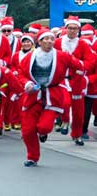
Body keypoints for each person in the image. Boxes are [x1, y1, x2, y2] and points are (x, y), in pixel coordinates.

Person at [18, 28, 85, 167]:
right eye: (46, 39)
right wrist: (28, 83)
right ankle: (32, 157)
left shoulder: (62, 56)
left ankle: (43, 133)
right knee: (28, 130)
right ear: (39, 41)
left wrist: (76, 76)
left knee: (45, 126)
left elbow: (78, 67)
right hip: (33, 96)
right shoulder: (30, 57)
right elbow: (21, 74)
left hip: (52, 95)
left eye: (51, 39)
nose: (49, 41)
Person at [53, 15, 92, 145]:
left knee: (78, 112)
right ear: (66, 28)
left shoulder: (82, 44)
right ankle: (64, 121)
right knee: (64, 103)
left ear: (79, 30)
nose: (73, 31)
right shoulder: (57, 42)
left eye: (75, 29)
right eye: (70, 28)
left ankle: (77, 134)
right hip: (62, 80)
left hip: (77, 81)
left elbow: (90, 60)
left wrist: (82, 66)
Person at [7, 33, 35, 131]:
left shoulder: (34, 54)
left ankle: (23, 121)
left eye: (28, 42)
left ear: (32, 43)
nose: (26, 44)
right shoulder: (16, 54)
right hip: (17, 80)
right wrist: (14, 71)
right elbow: (12, 65)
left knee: (25, 101)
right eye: (24, 42)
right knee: (15, 101)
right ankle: (14, 121)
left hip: (29, 81)